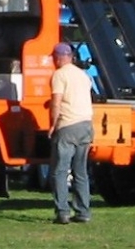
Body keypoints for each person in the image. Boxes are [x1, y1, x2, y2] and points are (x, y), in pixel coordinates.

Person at [49, 42, 94, 224]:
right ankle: (83, 211)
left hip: (68, 126)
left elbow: (56, 103)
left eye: (54, 57)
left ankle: (63, 212)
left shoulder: (59, 75)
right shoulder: (83, 75)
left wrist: (53, 125)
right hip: (86, 125)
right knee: (80, 171)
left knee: (60, 171)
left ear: (59, 57)